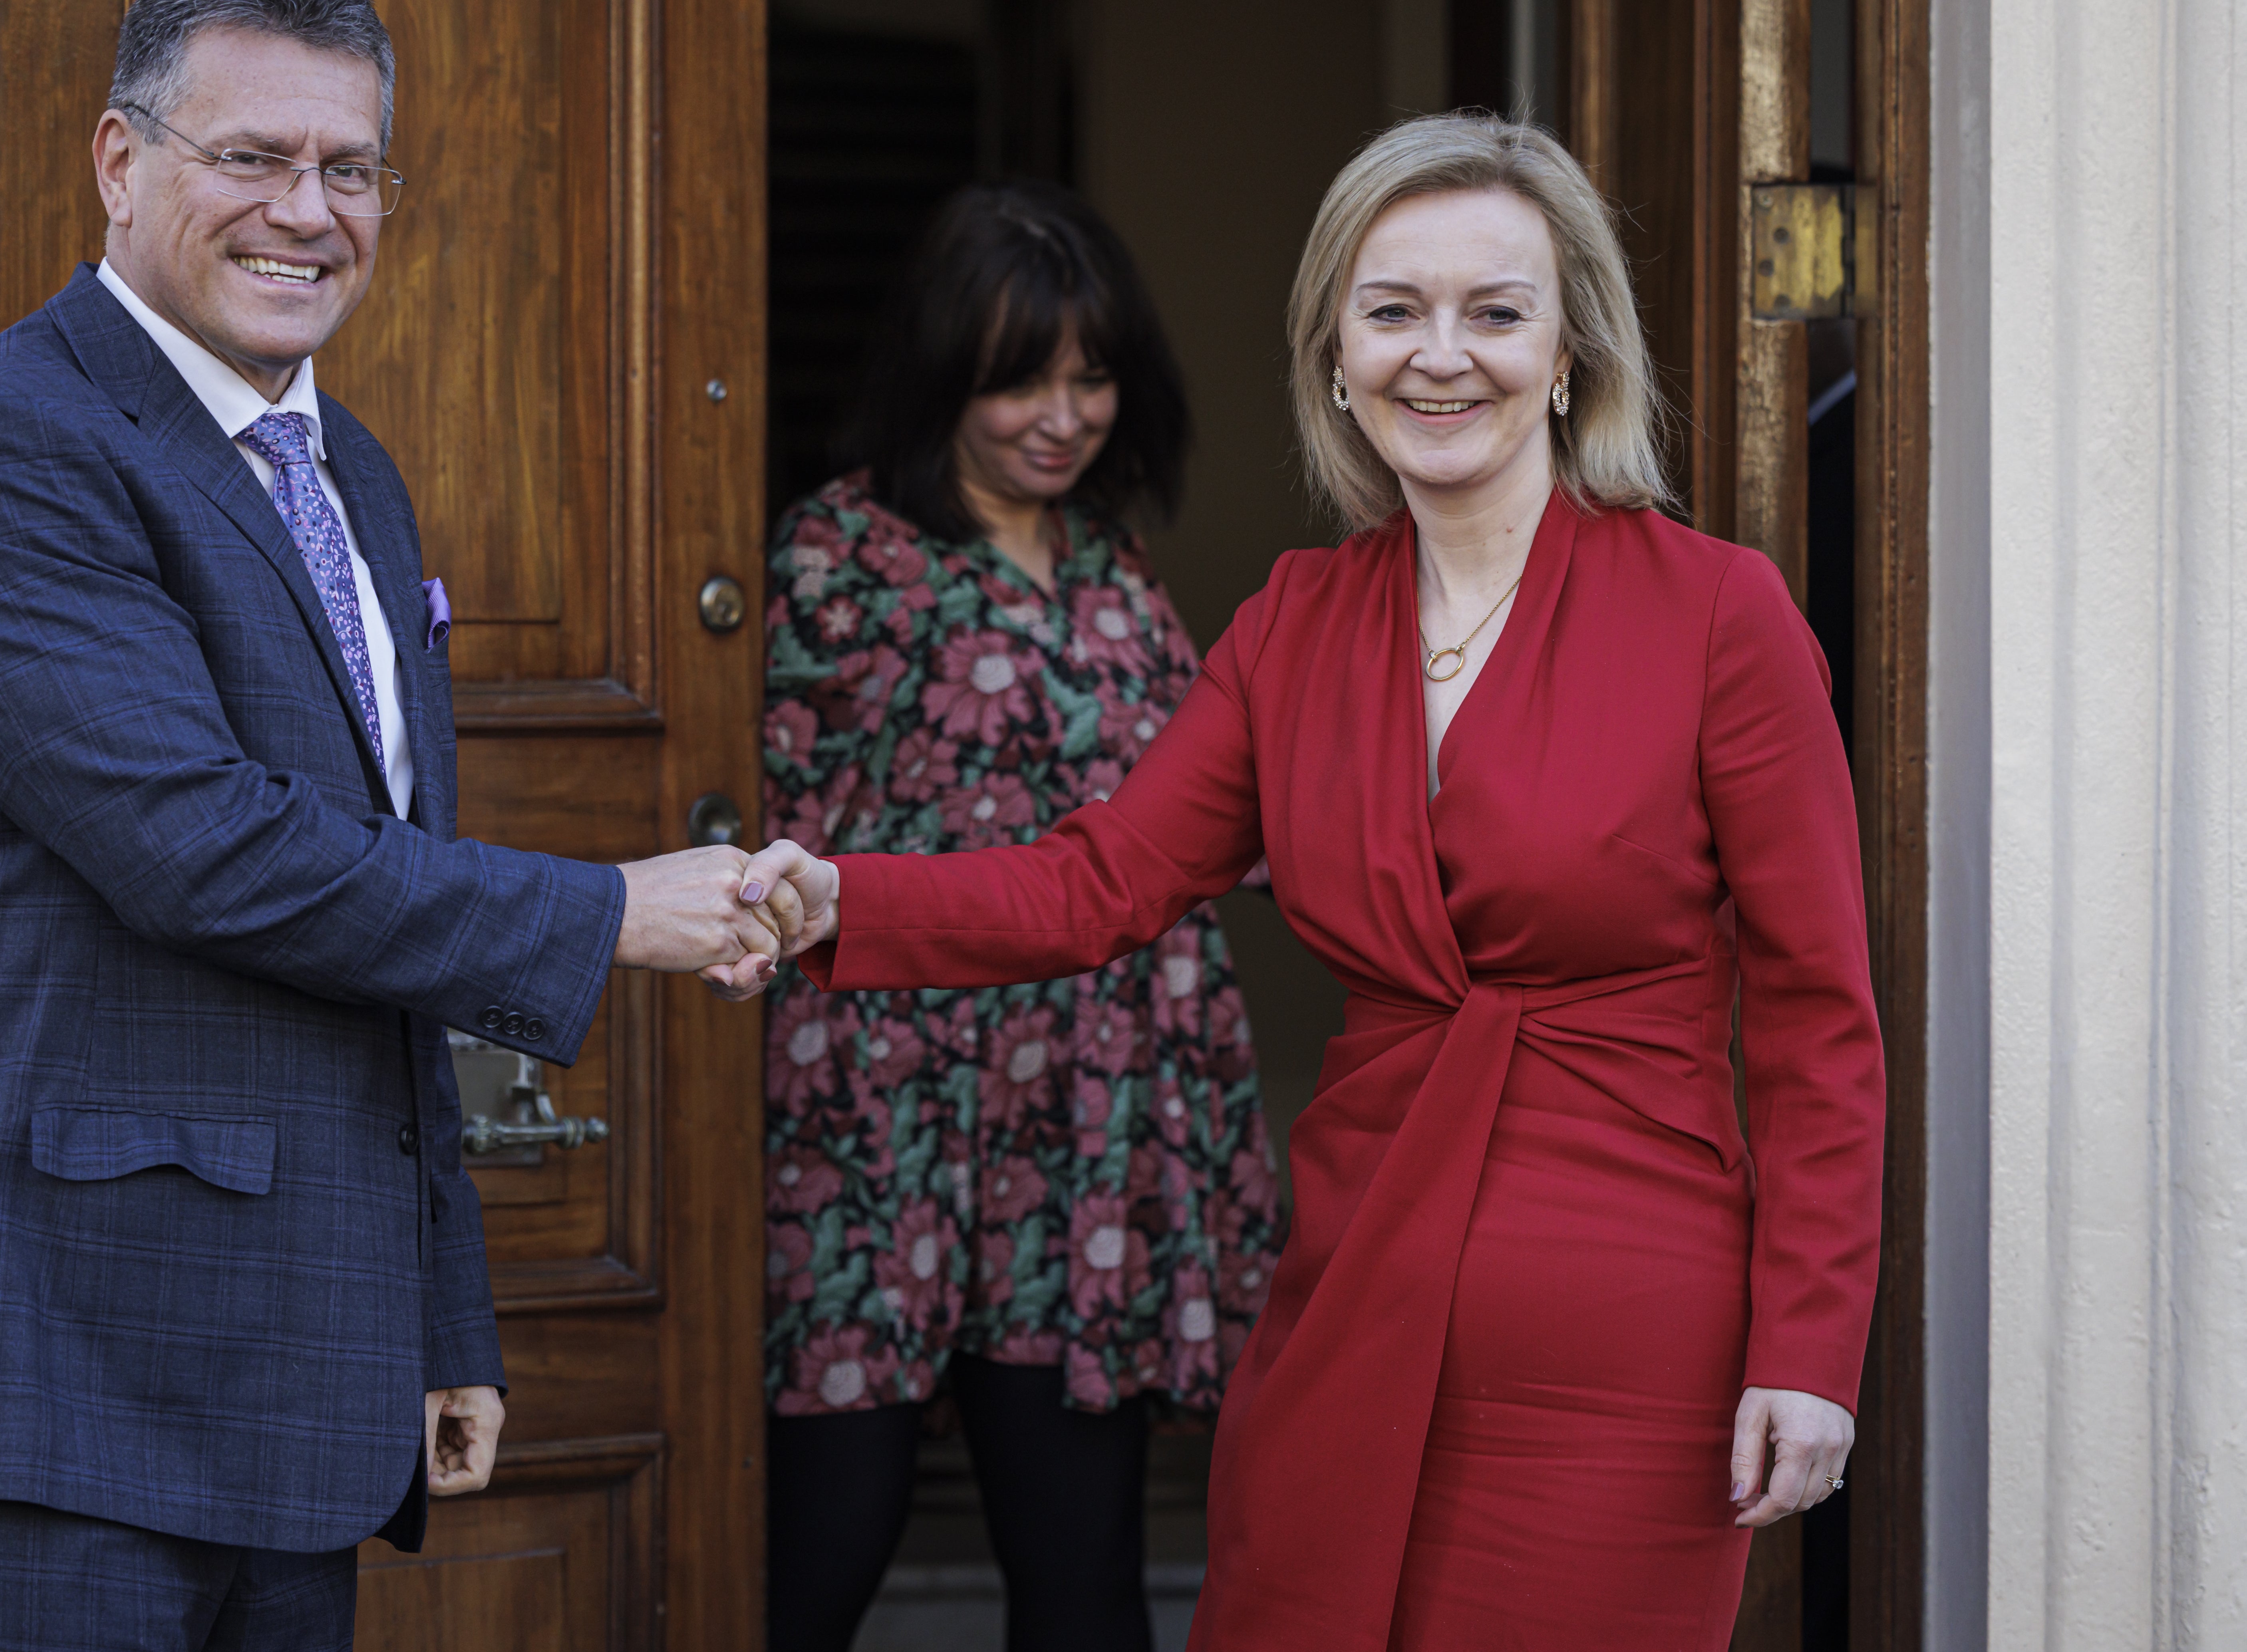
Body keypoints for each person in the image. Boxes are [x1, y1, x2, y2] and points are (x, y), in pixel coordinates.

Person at [737, 112, 1886, 1650]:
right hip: (1351, 1299)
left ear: (1567, 355)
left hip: (1624, 1343)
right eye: (1392, 310)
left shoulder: (1716, 615)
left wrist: (1807, 1350)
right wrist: (840, 901)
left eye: (1495, 311)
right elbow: (1100, 884)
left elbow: (1819, 1021)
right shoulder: (1293, 624)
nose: (1440, 356)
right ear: (1335, 356)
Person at [0, 0, 782, 1650]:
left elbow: (376, 898)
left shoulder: (353, 473)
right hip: (57, 1373)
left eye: (349, 168)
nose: (308, 211)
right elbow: (209, 852)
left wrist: (437, 1313)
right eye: (251, 158)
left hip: (298, 1375)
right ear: (121, 166)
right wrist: (610, 910)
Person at [758, 183, 1283, 1652]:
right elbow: (762, 825)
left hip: (1087, 1131)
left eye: (1091, 376)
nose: (1062, 417)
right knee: (822, 1555)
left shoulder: (1113, 566)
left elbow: (1202, 815)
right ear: (943, 378)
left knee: (1083, 1582)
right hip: (883, 1123)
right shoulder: (838, 558)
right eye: (1019, 381)